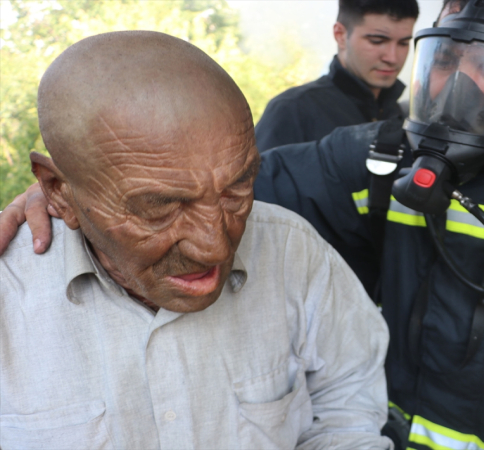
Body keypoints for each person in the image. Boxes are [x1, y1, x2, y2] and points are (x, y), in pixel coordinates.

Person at [0, 1, 484, 449]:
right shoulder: (378, 159)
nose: (461, 86)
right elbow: (206, 182)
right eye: (447, 57)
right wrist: (72, 206)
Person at [0, 31, 392, 449]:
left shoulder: (294, 254)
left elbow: (348, 413)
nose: (217, 247)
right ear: (59, 190)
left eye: (237, 190)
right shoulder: (11, 292)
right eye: (159, 207)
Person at [253, 0, 418, 151]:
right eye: (377, 40)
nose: (393, 58)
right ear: (340, 35)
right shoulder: (291, 111)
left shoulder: (406, 116)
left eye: (404, 43)